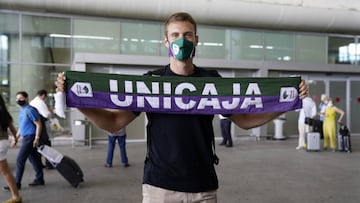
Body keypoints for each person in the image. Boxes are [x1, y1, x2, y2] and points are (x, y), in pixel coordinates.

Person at [56, 12, 308, 202]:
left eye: (187, 35)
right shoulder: (151, 82)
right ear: (166, 41)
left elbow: (244, 120)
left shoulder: (211, 81)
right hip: (160, 189)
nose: (182, 40)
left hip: (203, 187)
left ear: (196, 40)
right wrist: (78, 101)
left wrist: (285, 104)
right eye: (175, 35)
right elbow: (113, 123)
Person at [3, 91, 45, 192]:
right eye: (17, 99)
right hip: (26, 137)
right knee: (34, 159)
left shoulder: (30, 110)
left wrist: (37, 138)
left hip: (30, 137)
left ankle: (16, 183)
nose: (19, 100)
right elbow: (21, 127)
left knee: (20, 160)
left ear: (26, 98)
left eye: (21, 98)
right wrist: (15, 138)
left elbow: (39, 124)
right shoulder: (22, 110)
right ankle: (40, 179)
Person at [0, 95, 22, 203]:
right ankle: (16, 196)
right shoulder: (4, 113)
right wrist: (15, 139)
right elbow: (13, 129)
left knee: (5, 171)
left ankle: (16, 197)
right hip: (3, 142)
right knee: (5, 171)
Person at [30, 89, 54, 169]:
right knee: (47, 144)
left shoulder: (32, 102)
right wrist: (51, 112)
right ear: (43, 95)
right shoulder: (41, 102)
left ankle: (39, 163)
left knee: (39, 145)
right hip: (42, 125)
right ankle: (49, 163)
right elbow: (46, 115)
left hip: (34, 126)